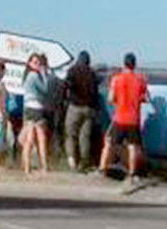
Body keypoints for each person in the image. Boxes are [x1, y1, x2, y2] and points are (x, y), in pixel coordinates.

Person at [99, 52, 150, 185]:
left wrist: (119, 100)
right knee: (133, 147)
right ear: (135, 64)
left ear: (124, 63)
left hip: (119, 117)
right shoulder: (141, 79)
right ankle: (131, 173)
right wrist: (138, 99)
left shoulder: (117, 79)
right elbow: (147, 98)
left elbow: (110, 99)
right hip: (133, 119)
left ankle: (102, 169)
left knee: (109, 142)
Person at [63, 50, 99, 172]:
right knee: (85, 137)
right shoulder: (92, 73)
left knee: (70, 134)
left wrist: (65, 99)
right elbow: (95, 92)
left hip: (75, 107)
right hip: (89, 109)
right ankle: (84, 161)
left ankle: (72, 160)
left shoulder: (72, 71)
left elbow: (66, 85)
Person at [19, 53, 51, 174]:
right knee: (41, 138)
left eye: (38, 63)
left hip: (28, 107)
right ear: (30, 63)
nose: (38, 65)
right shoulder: (34, 76)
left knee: (29, 139)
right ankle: (44, 166)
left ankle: (26, 167)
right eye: (35, 63)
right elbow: (45, 89)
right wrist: (44, 74)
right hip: (36, 107)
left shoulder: (26, 76)